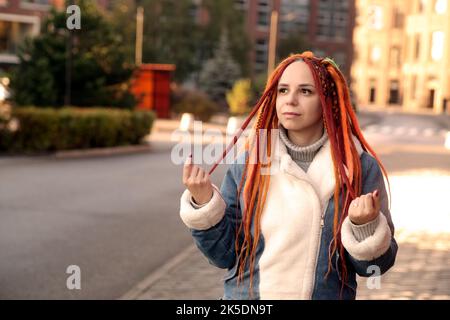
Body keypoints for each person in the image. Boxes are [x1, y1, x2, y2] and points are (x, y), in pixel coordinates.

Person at [179, 51, 398, 300]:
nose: (290, 100)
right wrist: (204, 203)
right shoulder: (252, 161)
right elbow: (223, 256)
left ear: (328, 100)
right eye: (283, 90)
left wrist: (364, 227)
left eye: (305, 91)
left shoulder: (357, 166)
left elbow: (375, 269)